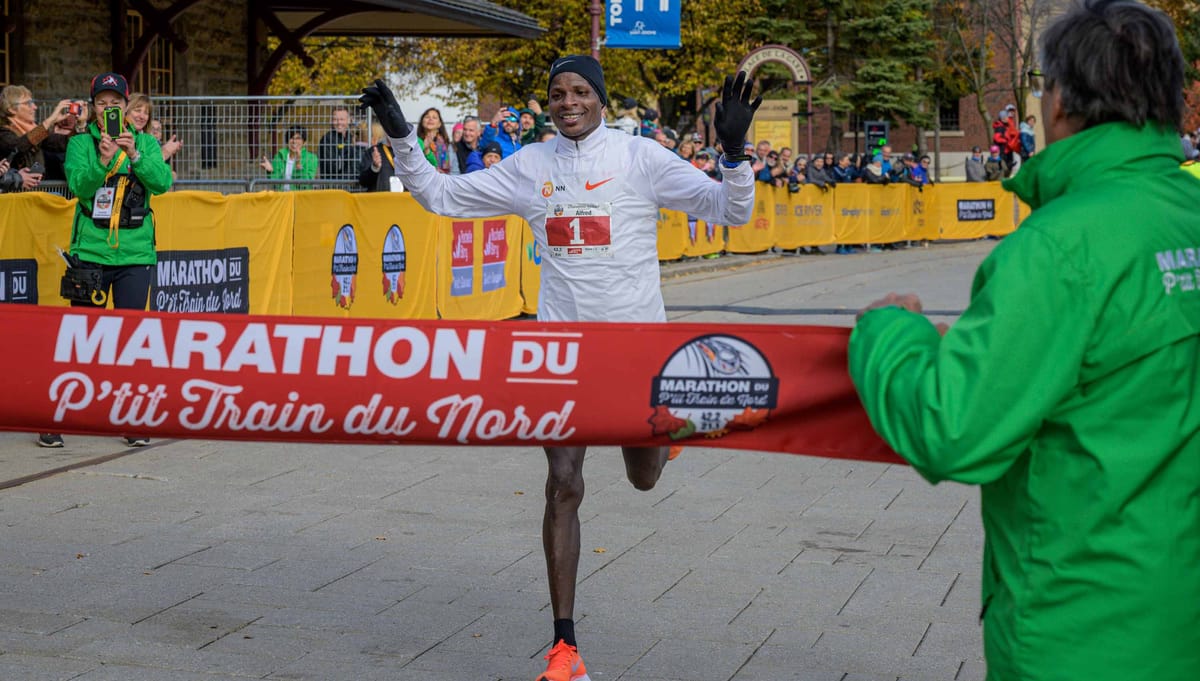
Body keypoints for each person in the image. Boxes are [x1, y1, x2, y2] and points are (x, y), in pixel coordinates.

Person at [361, 55, 759, 681]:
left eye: (579, 91)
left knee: (644, 479)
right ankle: (564, 647)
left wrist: (733, 155)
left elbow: (729, 211)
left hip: (635, 352)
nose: (568, 101)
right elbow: (440, 196)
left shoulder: (639, 157)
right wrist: (403, 136)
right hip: (560, 354)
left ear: (600, 99)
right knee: (563, 484)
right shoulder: (531, 165)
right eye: (557, 93)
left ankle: (665, 440)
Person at [849, 2, 1200, 679]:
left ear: (1060, 101)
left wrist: (889, 334)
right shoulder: (1186, 213)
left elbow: (955, 428)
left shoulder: (1059, 245)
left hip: (1086, 626)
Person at [40, 72, 173, 449]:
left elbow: (162, 183)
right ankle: (57, 416)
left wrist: (135, 156)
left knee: (131, 339)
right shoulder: (81, 143)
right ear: (93, 107)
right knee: (82, 337)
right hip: (91, 253)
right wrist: (102, 160)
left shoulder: (145, 142)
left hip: (135, 253)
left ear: (126, 107)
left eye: (116, 103)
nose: (109, 108)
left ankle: (131, 417)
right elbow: (79, 186)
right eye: (102, 103)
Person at [0, 84, 78, 187]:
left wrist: (78, 125)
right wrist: (50, 120)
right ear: (11, 109)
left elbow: (61, 144)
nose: (35, 107)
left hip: (35, 192)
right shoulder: (3, 133)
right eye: (28, 103)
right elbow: (19, 146)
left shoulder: (34, 131)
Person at [125, 93, 181, 162]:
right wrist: (164, 154)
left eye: (146, 113)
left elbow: (158, 168)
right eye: (137, 110)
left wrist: (165, 154)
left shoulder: (150, 141)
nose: (142, 116)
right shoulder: (117, 134)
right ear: (126, 110)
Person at [259, 126, 317, 191]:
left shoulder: (311, 158)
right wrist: (270, 171)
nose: (294, 141)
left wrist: (298, 165)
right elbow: (275, 183)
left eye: (298, 138)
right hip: (282, 195)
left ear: (304, 142)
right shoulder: (280, 155)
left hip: (300, 196)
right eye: (291, 138)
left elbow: (306, 184)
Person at [357, 122, 401, 192]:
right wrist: (374, 168)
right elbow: (363, 182)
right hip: (380, 197)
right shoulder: (373, 152)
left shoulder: (408, 153)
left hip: (404, 198)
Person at [317, 105, 357, 181]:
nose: (339, 123)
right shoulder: (327, 139)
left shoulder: (351, 137)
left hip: (351, 183)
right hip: (333, 183)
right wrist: (350, 152)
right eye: (335, 119)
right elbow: (331, 168)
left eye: (342, 119)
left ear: (349, 120)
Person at [415, 107, 454, 174]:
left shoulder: (447, 144)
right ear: (422, 122)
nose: (430, 119)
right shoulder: (416, 142)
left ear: (439, 124)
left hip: (444, 178)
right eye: (427, 117)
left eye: (434, 117)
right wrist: (425, 148)